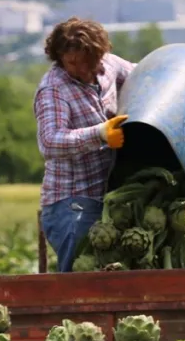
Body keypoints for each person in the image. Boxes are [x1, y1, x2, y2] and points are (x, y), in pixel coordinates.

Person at [34, 17, 137, 272]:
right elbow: (49, 141)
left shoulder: (110, 66)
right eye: (72, 63)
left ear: (100, 54)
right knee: (79, 279)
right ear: (58, 57)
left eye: (87, 62)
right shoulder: (54, 90)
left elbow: (142, 75)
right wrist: (100, 134)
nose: (81, 69)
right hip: (71, 205)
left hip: (108, 197)